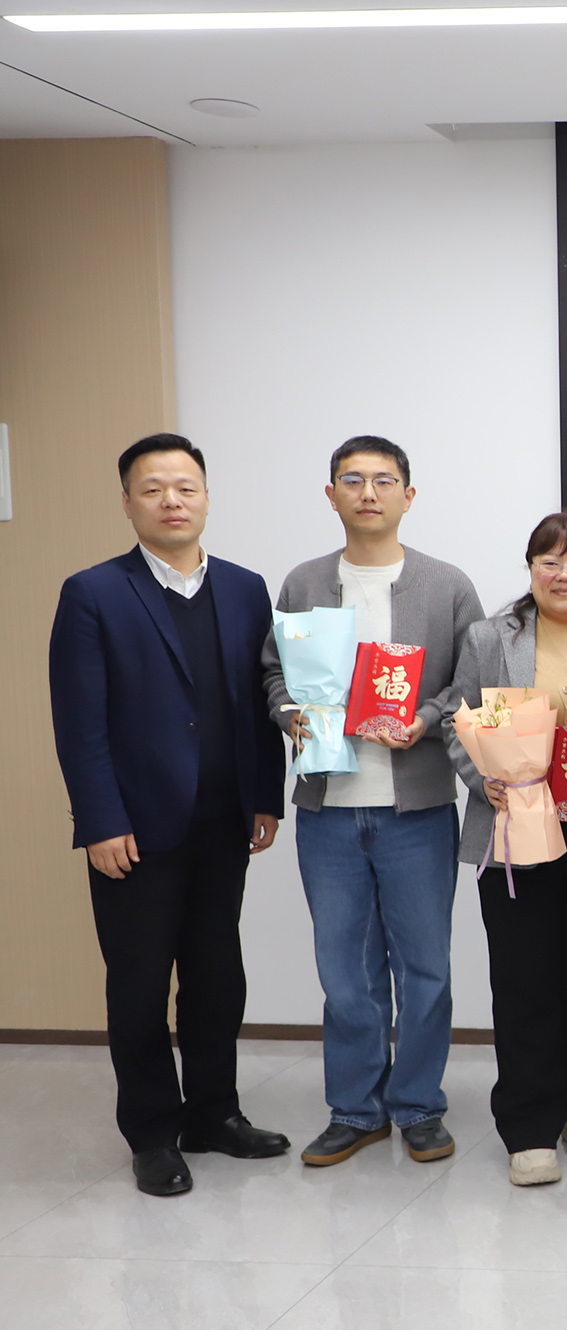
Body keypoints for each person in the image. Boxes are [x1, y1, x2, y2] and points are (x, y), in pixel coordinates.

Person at [51, 434, 289, 1196]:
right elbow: (79, 721)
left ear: (207, 497)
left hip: (225, 822)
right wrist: (98, 820)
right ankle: (153, 1132)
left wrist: (265, 793)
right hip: (134, 830)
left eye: (185, 487)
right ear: (128, 503)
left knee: (219, 977)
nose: (171, 501)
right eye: (152, 489)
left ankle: (214, 1113)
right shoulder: (93, 593)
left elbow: (261, 699)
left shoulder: (246, 589)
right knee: (140, 984)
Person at [262, 436, 483, 1169]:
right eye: (352, 480)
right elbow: (274, 672)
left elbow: (470, 686)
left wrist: (426, 718)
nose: (368, 493)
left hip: (415, 808)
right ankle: (356, 1110)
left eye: (384, 480)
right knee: (346, 973)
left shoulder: (445, 585)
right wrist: (289, 713)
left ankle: (417, 1105)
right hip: (328, 808)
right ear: (330, 495)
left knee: (425, 970)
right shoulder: (303, 582)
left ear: (408, 496)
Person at [446, 513, 567, 1186]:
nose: (565, 574)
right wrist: (482, 778)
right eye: (550, 561)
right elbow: (455, 720)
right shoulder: (489, 637)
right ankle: (530, 1123)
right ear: (530, 569)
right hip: (515, 833)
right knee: (524, 978)